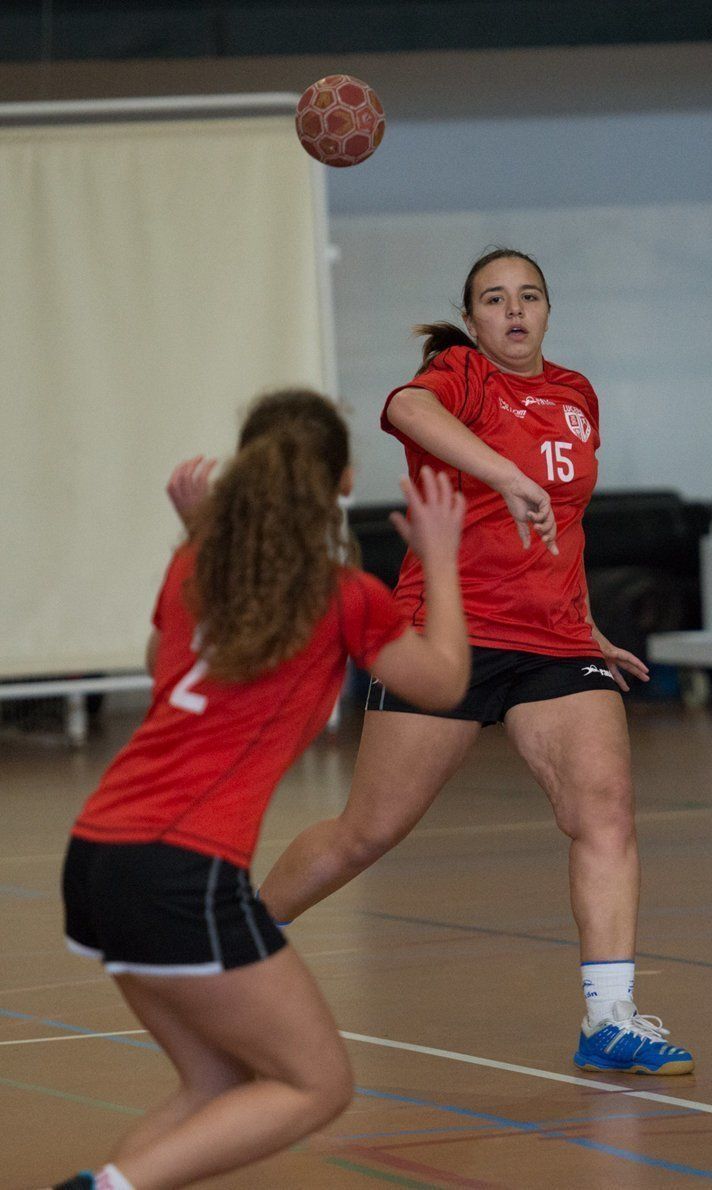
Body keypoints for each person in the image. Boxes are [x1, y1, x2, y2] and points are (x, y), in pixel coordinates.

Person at [253, 250, 694, 1077]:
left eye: (529, 296)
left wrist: (587, 622)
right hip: (448, 634)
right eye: (495, 300)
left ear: (549, 311)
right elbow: (407, 408)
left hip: (556, 640)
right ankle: (232, 943)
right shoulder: (457, 377)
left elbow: (566, 525)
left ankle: (610, 1019)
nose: (515, 311)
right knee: (367, 832)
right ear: (474, 316)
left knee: (605, 809)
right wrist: (502, 471)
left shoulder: (576, 394)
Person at [52, 389, 470, 1190]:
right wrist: (443, 561)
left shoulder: (193, 566)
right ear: (342, 481)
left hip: (99, 854)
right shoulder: (344, 594)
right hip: (182, 866)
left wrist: (199, 533)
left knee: (218, 1085)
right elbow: (445, 681)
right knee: (318, 1085)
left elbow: (162, 662)